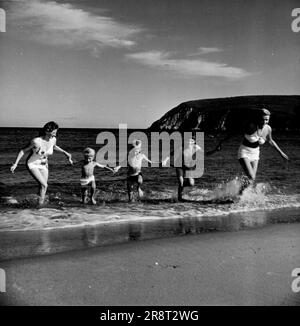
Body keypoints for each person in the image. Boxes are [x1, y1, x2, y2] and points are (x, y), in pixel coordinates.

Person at [210, 108, 289, 190]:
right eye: (263, 119)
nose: (265, 122)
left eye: (267, 120)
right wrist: (221, 143)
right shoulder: (250, 126)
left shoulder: (268, 128)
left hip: (255, 153)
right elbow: (233, 134)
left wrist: (281, 153)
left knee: (251, 180)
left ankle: (238, 193)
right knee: (251, 176)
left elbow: (271, 141)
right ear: (259, 118)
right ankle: (235, 192)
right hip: (244, 152)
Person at [10, 121, 73, 205]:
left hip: (44, 165)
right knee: (44, 185)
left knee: (42, 186)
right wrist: (15, 164)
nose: (56, 133)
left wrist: (66, 153)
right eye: (54, 131)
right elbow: (23, 150)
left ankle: (38, 203)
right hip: (32, 164)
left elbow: (54, 147)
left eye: (56, 131)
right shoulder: (36, 141)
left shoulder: (53, 139)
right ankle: (39, 206)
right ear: (47, 130)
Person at [162, 137, 206, 201]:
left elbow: (205, 154)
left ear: (194, 142)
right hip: (180, 166)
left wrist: (215, 150)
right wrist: (165, 160)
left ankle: (181, 186)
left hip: (189, 167)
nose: (189, 142)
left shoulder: (196, 147)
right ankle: (179, 197)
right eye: (188, 141)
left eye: (191, 141)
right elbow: (171, 154)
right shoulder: (181, 147)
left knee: (191, 183)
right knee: (181, 182)